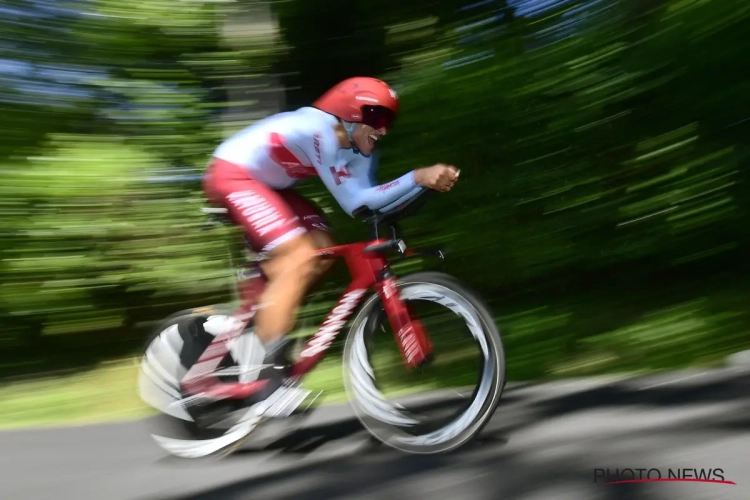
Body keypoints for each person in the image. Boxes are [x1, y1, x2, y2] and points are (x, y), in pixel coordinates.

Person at [201, 76, 460, 409]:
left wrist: (422, 186)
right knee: (299, 256)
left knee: (323, 249)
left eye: (389, 121)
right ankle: (268, 377)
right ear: (351, 114)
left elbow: (367, 204)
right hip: (231, 174)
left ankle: (260, 317)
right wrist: (416, 177)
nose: (384, 129)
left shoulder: (361, 150)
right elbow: (353, 200)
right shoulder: (317, 129)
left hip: (269, 186)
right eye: (378, 118)